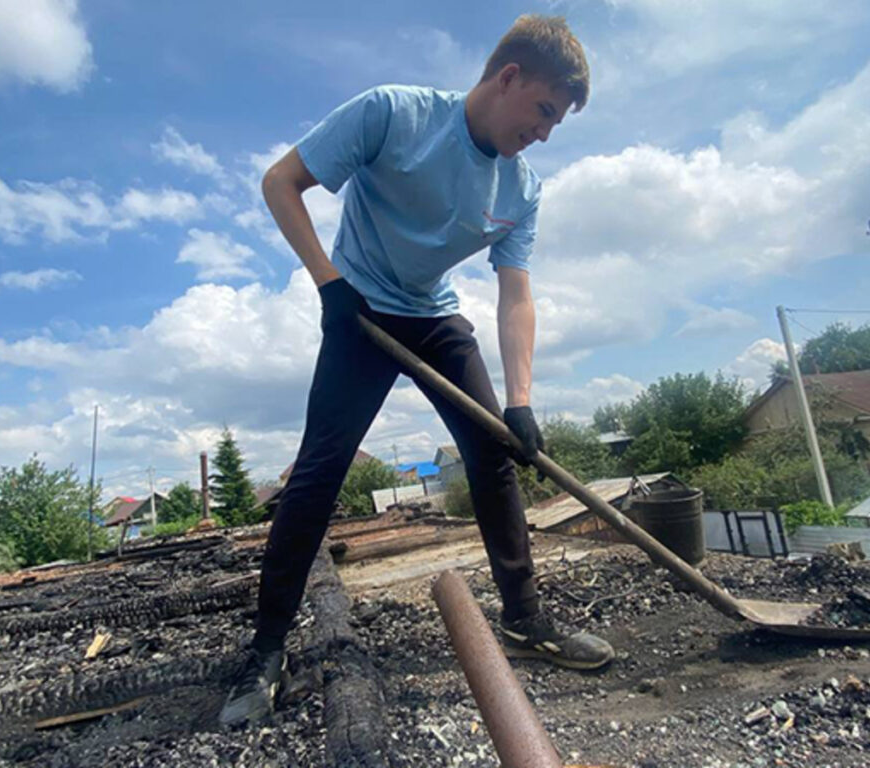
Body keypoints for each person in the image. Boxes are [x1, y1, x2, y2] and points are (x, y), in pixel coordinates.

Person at [220, 14, 613, 727]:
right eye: (543, 111)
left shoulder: (521, 188)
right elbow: (282, 182)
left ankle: (525, 620)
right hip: (359, 310)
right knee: (317, 476)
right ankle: (266, 651)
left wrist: (520, 402)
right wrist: (328, 284)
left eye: (556, 122)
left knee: (492, 453)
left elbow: (516, 294)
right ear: (508, 78)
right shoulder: (393, 114)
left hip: (433, 316)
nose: (545, 133)